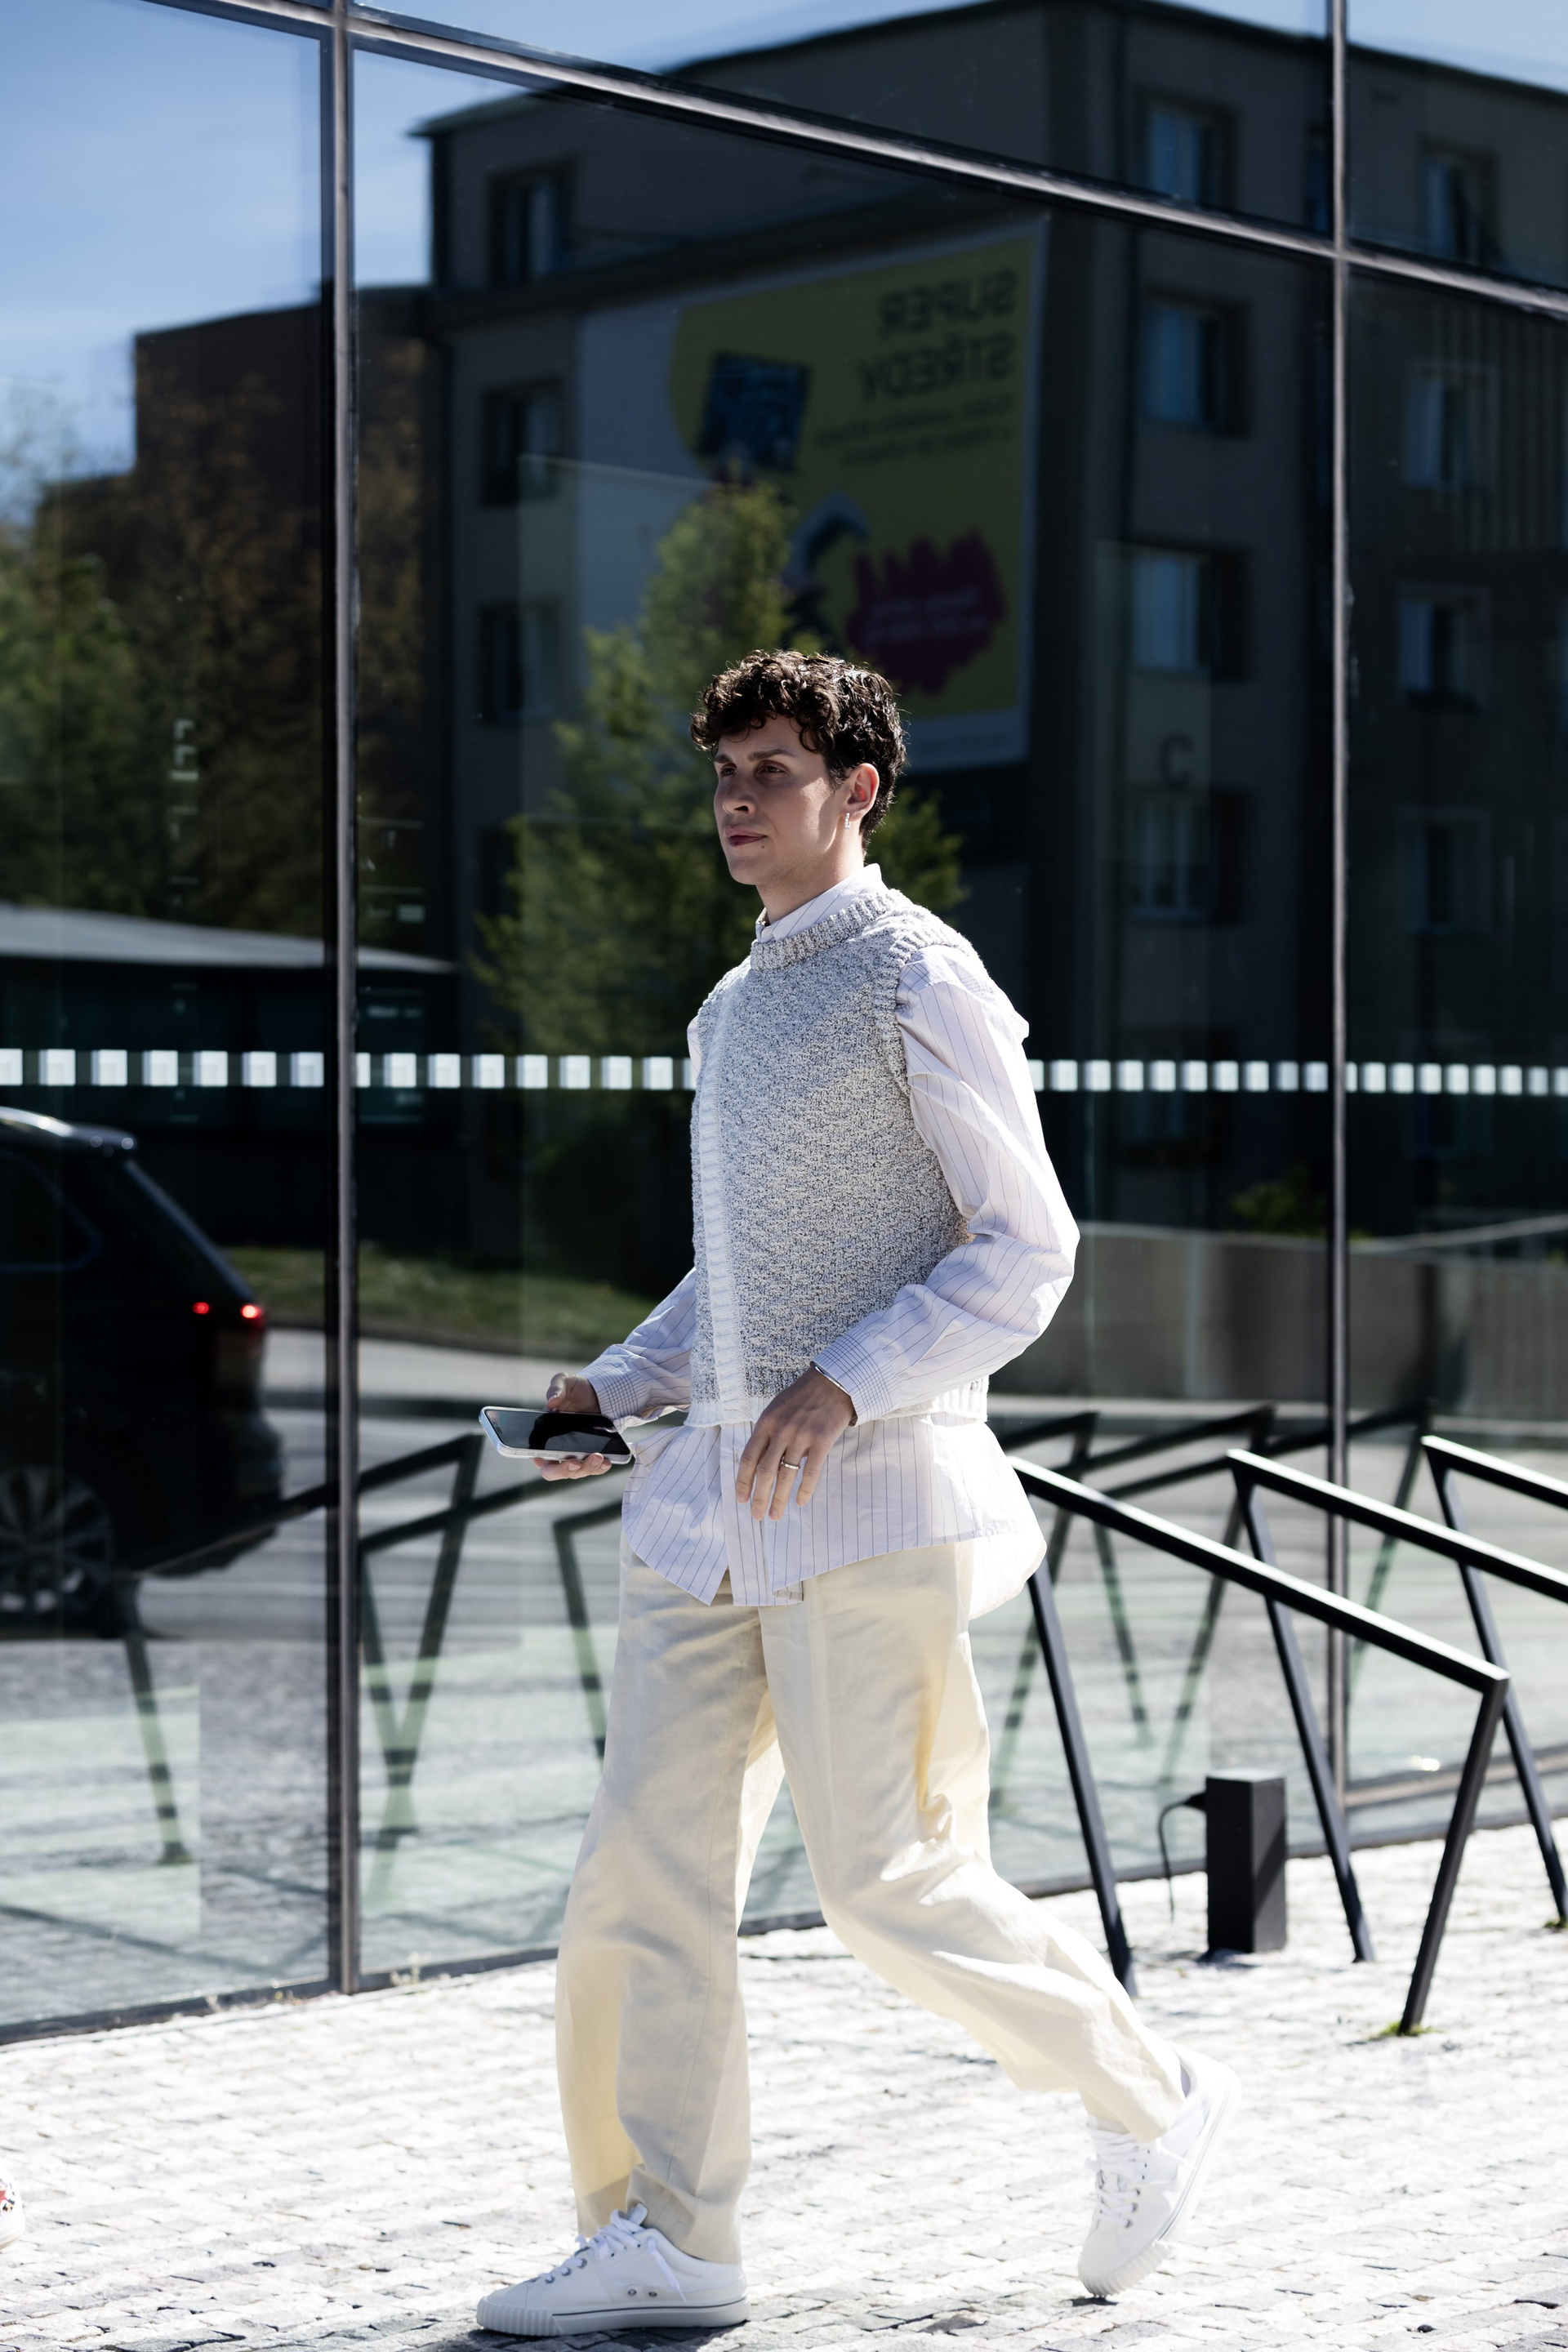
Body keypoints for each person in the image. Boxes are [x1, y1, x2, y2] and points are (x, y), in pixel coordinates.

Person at [477, 651, 1236, 2338]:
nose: (738, 801)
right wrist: (618, 1384)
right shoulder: (734, 1006)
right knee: (638, 1880)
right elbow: (740, 1276)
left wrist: (849, 1380)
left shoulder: (920, 972)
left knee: (889, 1883)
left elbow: (1026, 1246)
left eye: (773, 770)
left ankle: (1154, 2093)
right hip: (708, 1519)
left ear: (858, 789)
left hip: (875, 1503)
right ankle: (668, 2235)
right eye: (725, 773)